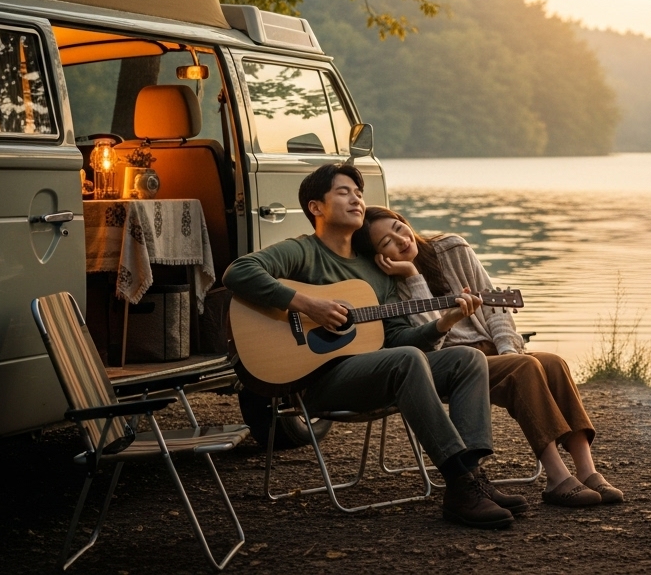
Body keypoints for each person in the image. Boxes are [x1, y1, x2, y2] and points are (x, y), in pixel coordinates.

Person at [222, 163, 525, 529]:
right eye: (344, 192)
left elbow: (395, 338)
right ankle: (460, 484)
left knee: (467, 358)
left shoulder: (374, 271)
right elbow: (238, 272)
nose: (357, 199)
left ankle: (472, 479)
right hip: (318, 381)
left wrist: (444, 322)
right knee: (408, 360)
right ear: (316, 207)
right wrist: (307, 303)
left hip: (372, 373)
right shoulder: (302, 252)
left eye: (359, 193)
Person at [354, 206, 625, 508]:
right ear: (379, 257)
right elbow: (432, 344)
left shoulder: (452, 248)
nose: (401, 239)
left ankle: (587, 471)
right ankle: (558, 478)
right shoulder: (392, 287)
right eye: (387, 242)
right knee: (525, 367)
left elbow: (495, 307)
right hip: (455, 364)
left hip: (495, 352)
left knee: (552, 363)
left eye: (398, 227)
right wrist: (413, 275)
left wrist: (509, 350)